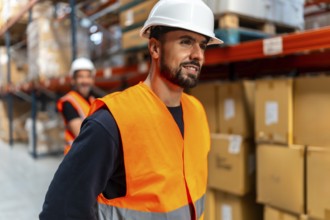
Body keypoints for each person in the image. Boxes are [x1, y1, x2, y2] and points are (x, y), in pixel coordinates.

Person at [40, 0, 223, 219]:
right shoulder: (113, 121)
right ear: (155, 48)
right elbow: (60, 211)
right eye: (186, 42)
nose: (198, 55)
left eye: (202, 45)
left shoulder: (197, 112)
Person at [57, 57, 97, 155]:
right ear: (73, 80)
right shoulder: (68, 102)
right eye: (80, 77)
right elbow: (82, 134)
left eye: (88, 76)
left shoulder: (94, 100)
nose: (85, 81)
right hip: (76, 157)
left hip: (91, 155)